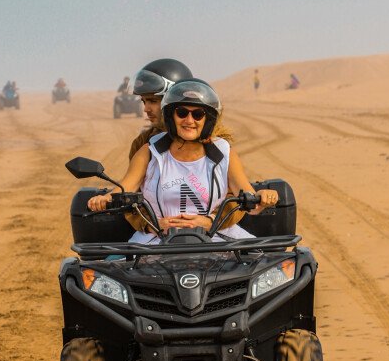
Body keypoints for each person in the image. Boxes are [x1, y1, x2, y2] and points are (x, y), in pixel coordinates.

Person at [89, 80, 277, 244]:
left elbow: (248, 198)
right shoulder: (150, 151)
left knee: (272, 266)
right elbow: (126, 188)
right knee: (106, 269)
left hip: (216, 238)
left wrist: (263, 197)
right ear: (170, 116)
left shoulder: (224, 153)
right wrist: (106, 199)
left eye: (198, 114)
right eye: (182, 112)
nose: (189, 120)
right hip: (157, 238)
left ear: (208, 119)